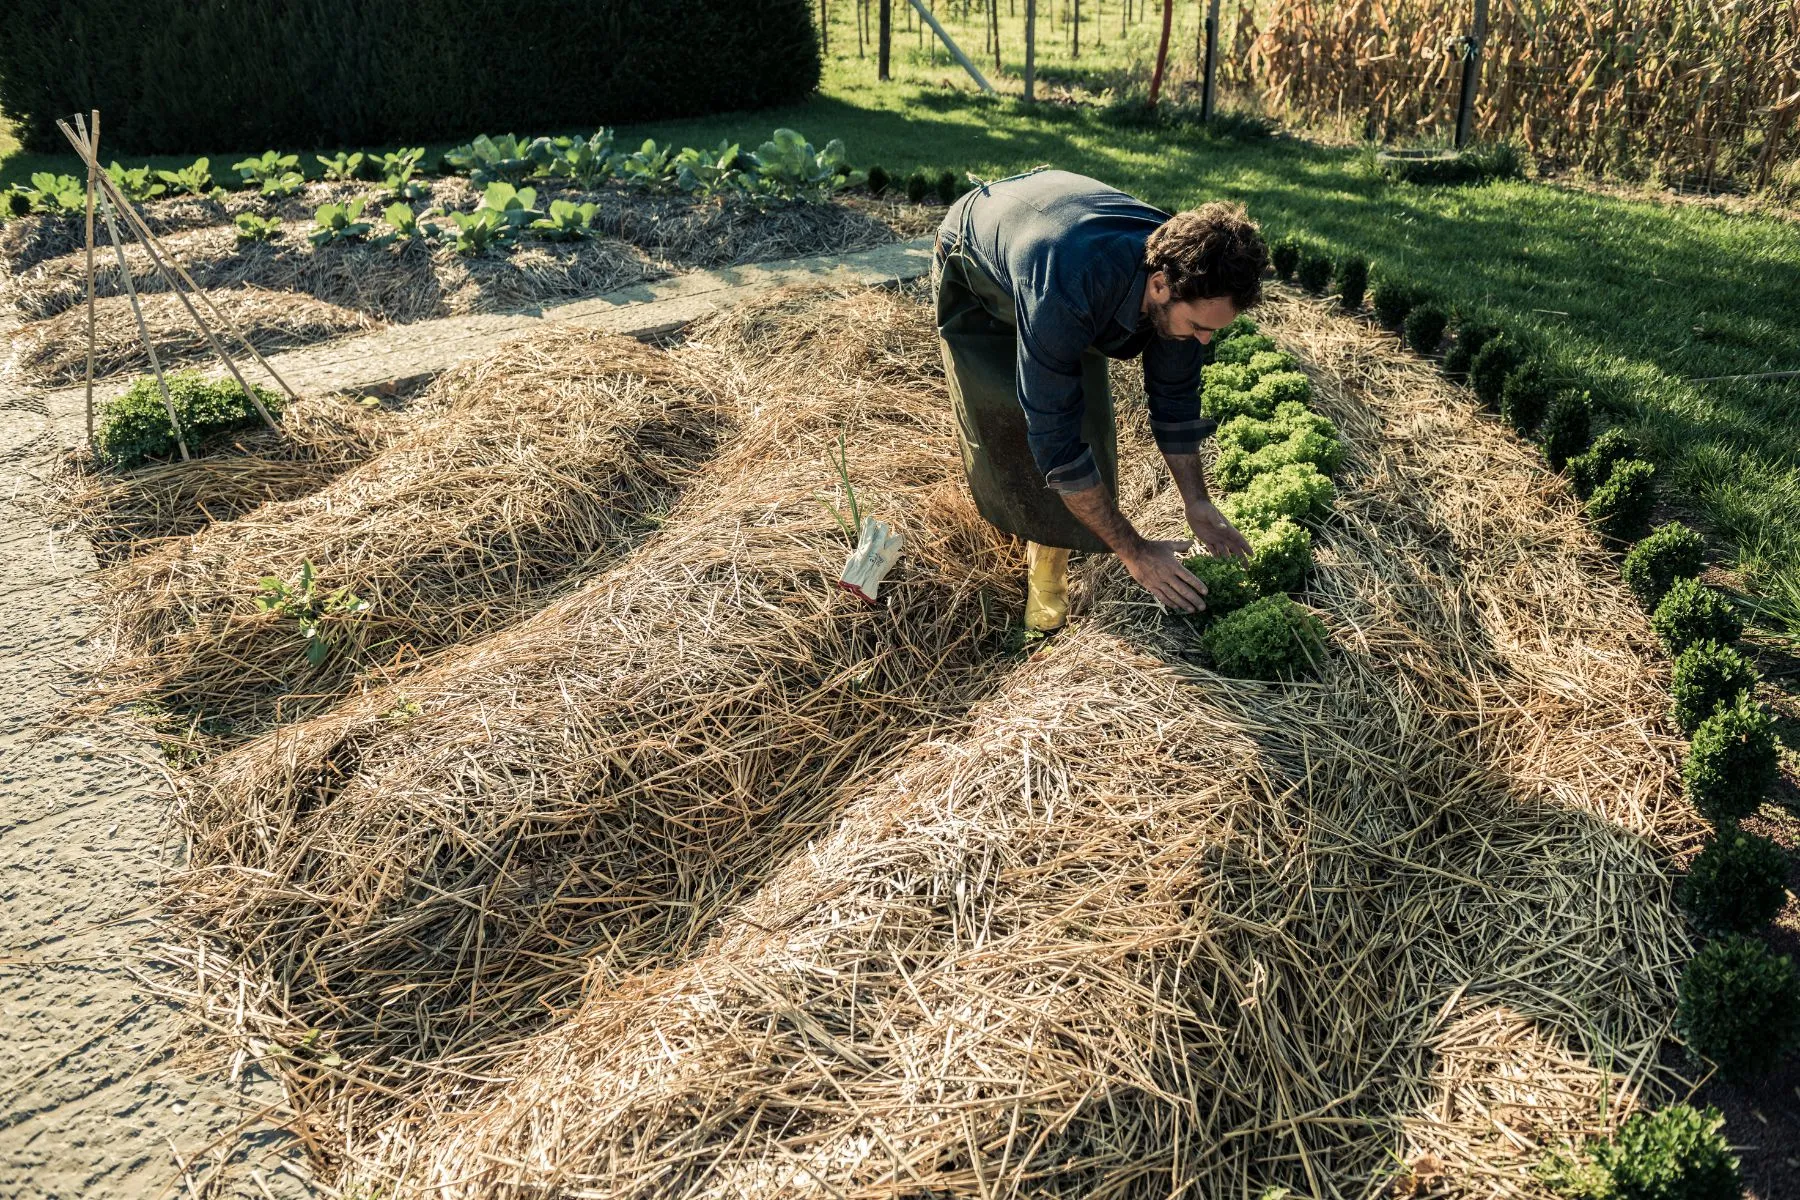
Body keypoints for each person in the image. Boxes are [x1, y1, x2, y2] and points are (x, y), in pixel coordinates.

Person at [932, 168, 1267, 631]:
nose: (1205, 340)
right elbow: (1056, 441)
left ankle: (1053, 540)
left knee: (1084, 408)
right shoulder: (1069, 289)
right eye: (1198, 326)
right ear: (1159, 286)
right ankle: (1041, 551)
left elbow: (1174, 400)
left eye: (1212, 329)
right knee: (1010, 413)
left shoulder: (1187, 270)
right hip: (977, 258)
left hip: (1057, 236)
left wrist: (1198, 502)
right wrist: (1136, 551)